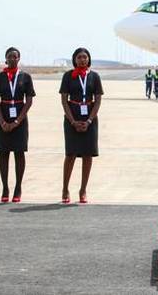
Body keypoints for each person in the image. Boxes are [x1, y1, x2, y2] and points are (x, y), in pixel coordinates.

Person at [0, 47, 35, 203]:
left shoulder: (25, 77)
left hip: (20, 118)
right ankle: (5, 187)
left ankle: (18, 188)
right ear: (6, 59)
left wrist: (18, 120)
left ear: (19, 59)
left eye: (15, 57)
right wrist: (2, 120)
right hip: (3, 116)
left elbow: (29, 101)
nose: (12, 59)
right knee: (3, 152)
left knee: (19, 152)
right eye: (10, 56)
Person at [59, 47, 104, 204]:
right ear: (74, 59)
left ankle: (83, 189)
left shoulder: (94, 77)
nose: (82, 60)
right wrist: (72, 121)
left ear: (89, 59)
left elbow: (97, 100)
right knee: (70, 155)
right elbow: (64, 100)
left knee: (87, 155)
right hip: (72, 118)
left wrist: (89, 120)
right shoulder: (68, 76)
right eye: (79, 57)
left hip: (90, 120)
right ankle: (65, 189)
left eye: (85, 57)